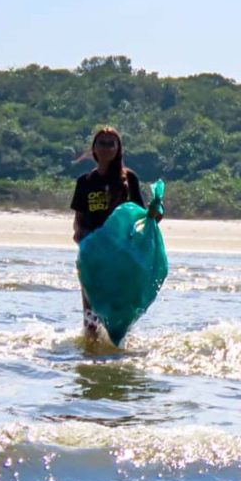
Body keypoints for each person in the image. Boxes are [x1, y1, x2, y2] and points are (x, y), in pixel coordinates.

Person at [70, 126, 160, 339]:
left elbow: (142, 217)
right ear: (94, 148)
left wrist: (156, 212)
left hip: (121, 254)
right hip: (92, 254)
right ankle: (91, 351)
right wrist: (81, 236)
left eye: (112, 143)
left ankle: (115, 349)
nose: (107, 147)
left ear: (118, 148)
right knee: (90, 312)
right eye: (102, 143)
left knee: (118, 309)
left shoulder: (128, 180)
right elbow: (78, 220)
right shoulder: (85, 182)